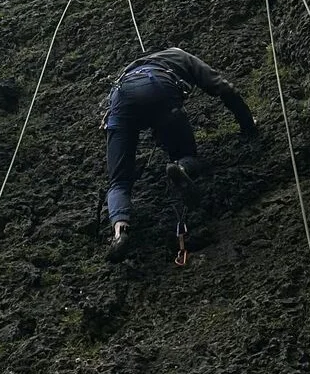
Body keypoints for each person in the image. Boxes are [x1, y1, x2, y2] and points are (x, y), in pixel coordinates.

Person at [102, 47, 257, 262]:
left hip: (121, 98)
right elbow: (224, 88)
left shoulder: (127, 72)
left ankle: (120, 232)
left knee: (118, 182)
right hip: (160, 89)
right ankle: (182, 167)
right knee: (186, 154)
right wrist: (248, 126)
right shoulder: (180, 56)